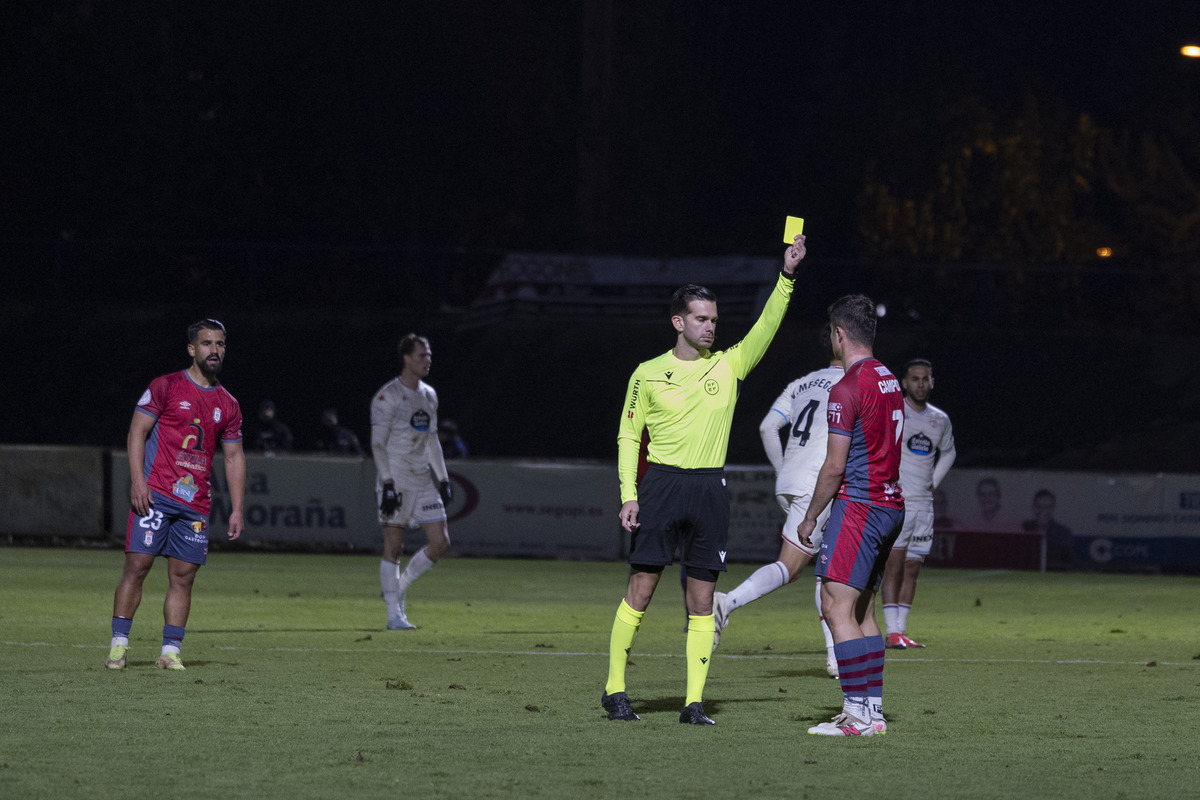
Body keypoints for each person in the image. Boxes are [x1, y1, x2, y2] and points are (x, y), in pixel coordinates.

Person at [601, 234, 805, 726]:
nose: (711, 327)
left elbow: (766, 328)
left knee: (701, 600)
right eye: (701, 318)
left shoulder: (729, 365)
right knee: (642, 590)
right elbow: (629, 437)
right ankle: (614, 689)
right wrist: (629, 495)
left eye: (714, 319)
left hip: (710, 490)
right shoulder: (647, 374)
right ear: (679, 322)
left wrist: (787, 277)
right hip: (662, 486)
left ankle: (693, 703)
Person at [105, 319, 246, 671]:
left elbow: (233, 456)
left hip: (194, 504)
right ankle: (119, 646)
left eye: (220, 344)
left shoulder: (228, 404)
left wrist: (237, 508)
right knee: (137, 567)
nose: (215, 350)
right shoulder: (165, 386)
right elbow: (137, 432)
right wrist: (138, 481)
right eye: (207, 343)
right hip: (155, 495)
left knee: (183, 577)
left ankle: (170, 652)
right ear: (192, 349)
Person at [798, 294, 905, 737]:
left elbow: (835, 466)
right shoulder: (888, 378)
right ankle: (873, 712)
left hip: (861, 506)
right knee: (862, 611)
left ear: (839, 334)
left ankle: (857, 715)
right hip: (891, 505)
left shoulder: (846, 387)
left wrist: (809, 518)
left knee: (833, 604)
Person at [711, 323, 843, 679]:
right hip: (819, 484)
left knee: (826, 571)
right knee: (792, 567)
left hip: (790, 481)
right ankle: (727, 602)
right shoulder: (852, 384)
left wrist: (785, 469)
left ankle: (834, 658)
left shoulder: (800, 383)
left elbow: (767, 428)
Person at [370, 333, 454, 630]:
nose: (427, 360)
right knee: (394, 545)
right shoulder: (387, 397)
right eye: (421, 355)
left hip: (422, 478)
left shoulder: (429, 395)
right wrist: (388, 483)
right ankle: (394, 615)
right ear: (406, 358)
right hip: (395, 478)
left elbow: (431, 439)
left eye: (428, 355)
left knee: (440, 541)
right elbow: (378, 444)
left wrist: (442, 478)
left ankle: (398, 590)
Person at [881, 359, 956, 650]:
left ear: (932, 382)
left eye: (925, 379)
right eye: (915, 379)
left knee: (913, 568)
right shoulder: (894, 411)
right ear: (904, 382)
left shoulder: (940, 419)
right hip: (899, 502)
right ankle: (890, 632)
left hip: (924, 505)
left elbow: (949, 452)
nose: (921, 384)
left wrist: (933, 481)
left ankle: (900, 631)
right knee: (894, 566)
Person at [1022, 489, 1073, 570]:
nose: (1043, 511)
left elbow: (1068, 561)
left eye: (1047, 507)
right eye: (1039, 507)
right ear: (1033, 507)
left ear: (1053, 509)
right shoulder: (1024, 528)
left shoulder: (1063, 533)